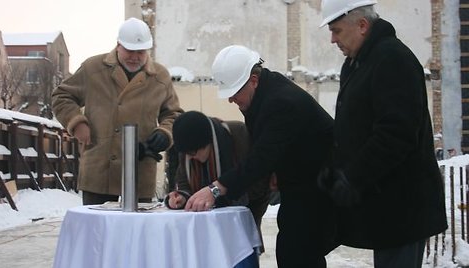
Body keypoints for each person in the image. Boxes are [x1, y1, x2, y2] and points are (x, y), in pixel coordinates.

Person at [318, 1, 448, 267]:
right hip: (385, 207)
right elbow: (353, 127)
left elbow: (396, 133)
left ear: (362, 25)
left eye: (337, 30)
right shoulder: (358, 63)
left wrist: (353, 178)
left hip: (403, 207)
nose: (332, 39)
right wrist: (335, 169)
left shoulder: (392, 59)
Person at [184, 45, 336, 268]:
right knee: (291, 250)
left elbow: (260, 157)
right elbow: (273, 146)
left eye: (234, 92)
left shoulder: (280, 102)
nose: (231, 100)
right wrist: (275, 168)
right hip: (300, 185)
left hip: (318, 186)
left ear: (253, 80)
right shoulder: (263, 95)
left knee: (298, 253)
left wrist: (215, 188)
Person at [52, 17, 183, 205]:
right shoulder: (93, 68)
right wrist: (76, 122)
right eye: (130, 50)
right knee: (98, 230)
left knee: (136, 231)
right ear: (118, 45)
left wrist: (164, 132)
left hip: (140, 167)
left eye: (141, 52)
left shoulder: (160, 77)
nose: (135, 57)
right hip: (99, 168)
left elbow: (173, 113)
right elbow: (61, 95)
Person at [164, 110, 271, 258]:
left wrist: (216, 193)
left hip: (242, 218)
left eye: (194, 152)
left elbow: (258, 180)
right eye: (187, 154)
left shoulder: (238, 135)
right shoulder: (187, 150)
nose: (191, 158)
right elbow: (184, 184)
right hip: (203, 231)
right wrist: (181, 197)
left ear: (208, 143)